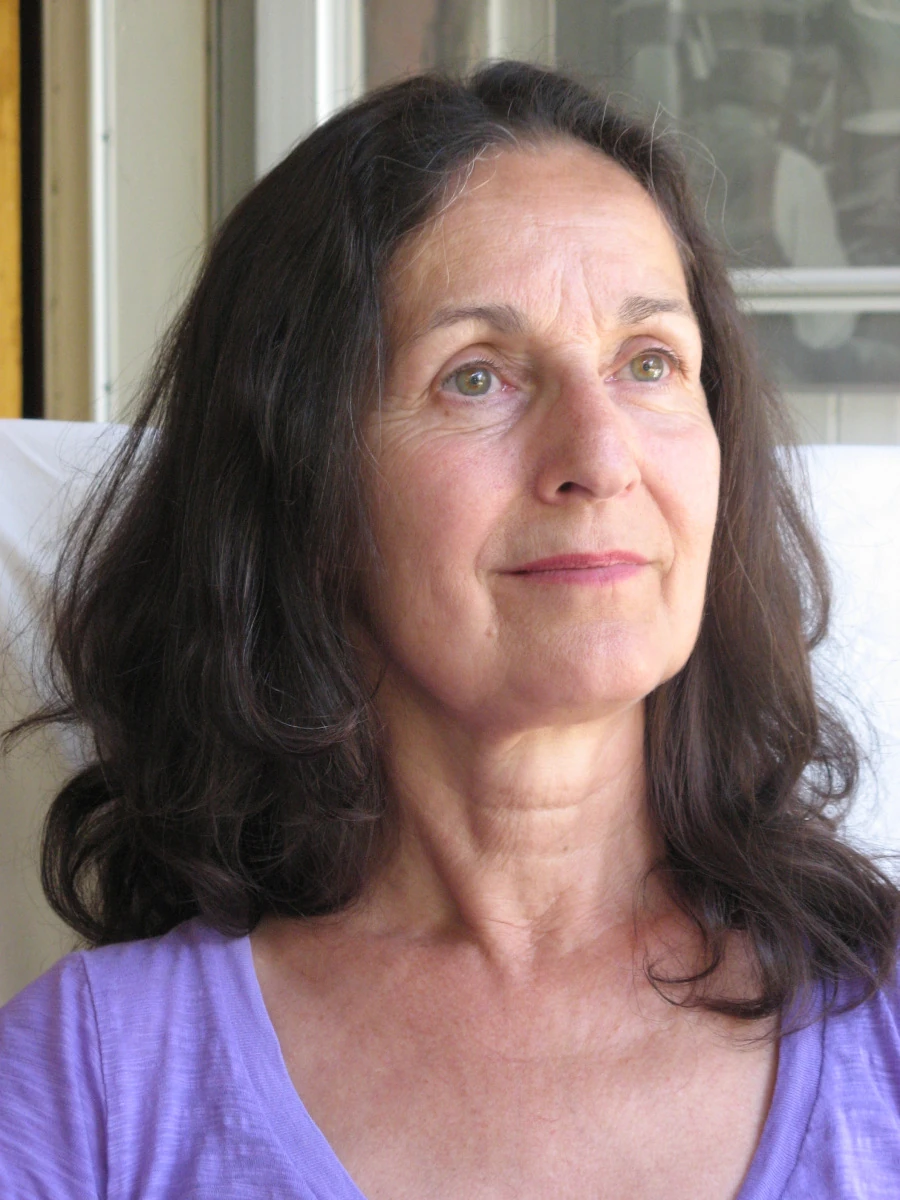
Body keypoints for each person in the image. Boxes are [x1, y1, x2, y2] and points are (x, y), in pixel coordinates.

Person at [2, 62, 899, 1199]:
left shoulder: (882, 1024)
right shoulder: (91, 1088)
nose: (601, 457)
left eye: (650, 363)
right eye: (477, 378)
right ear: (301, 486)